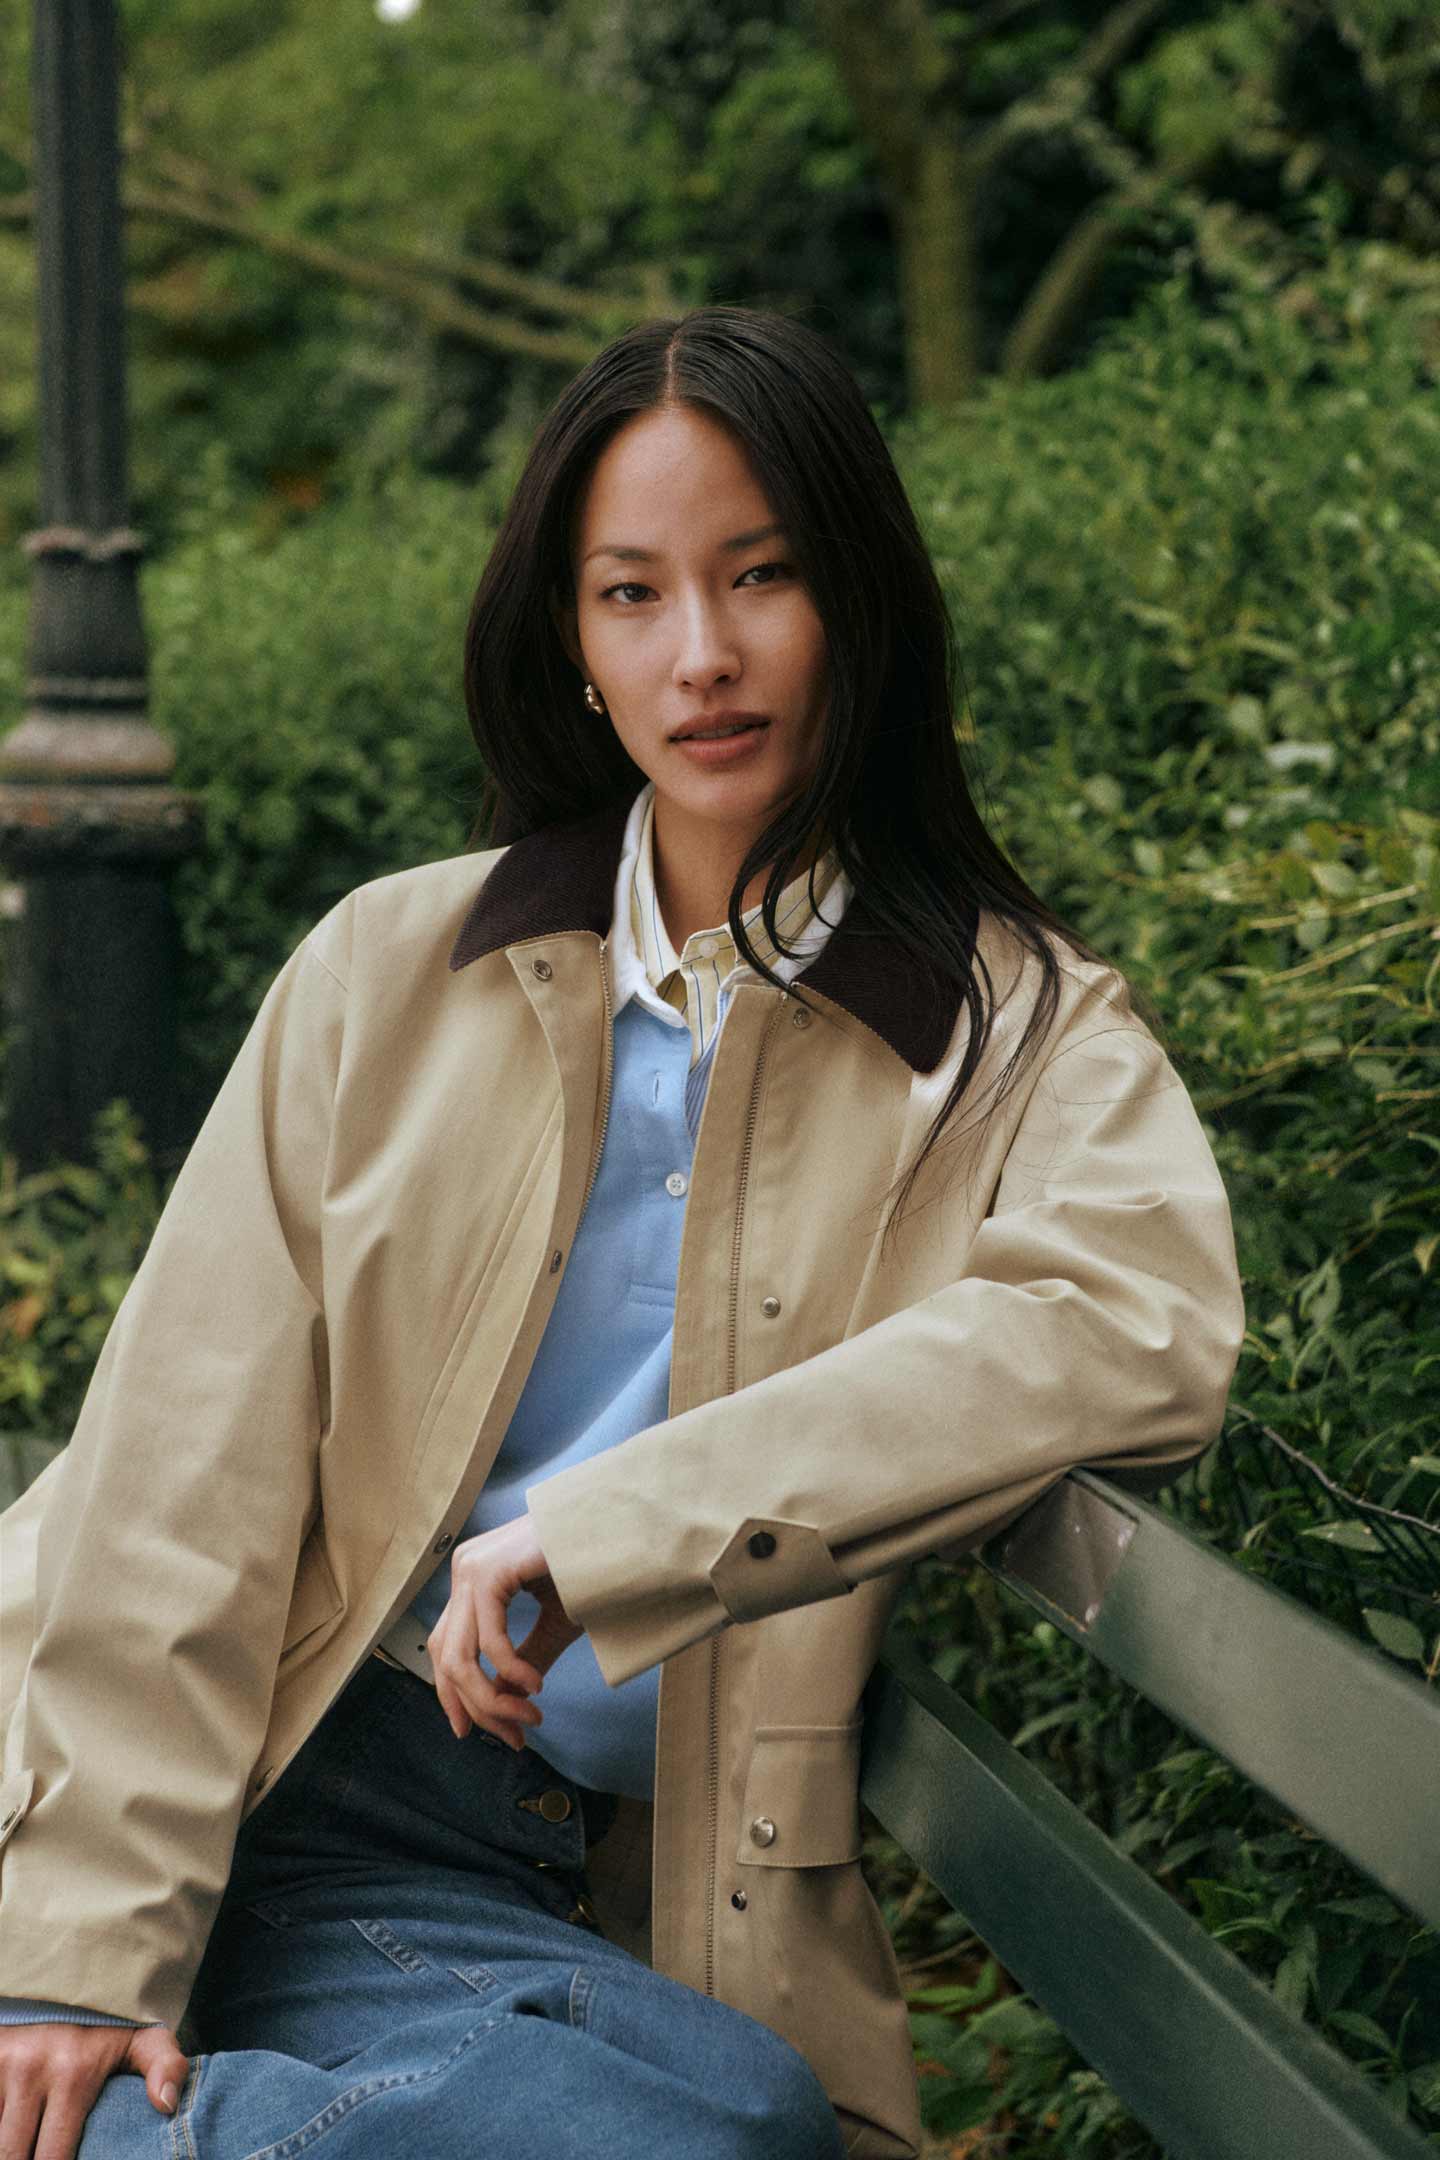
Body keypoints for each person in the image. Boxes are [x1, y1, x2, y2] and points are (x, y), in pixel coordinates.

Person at [0, 304, 1245, 2160]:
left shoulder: (1009, 1033)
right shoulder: (394, 974)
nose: (707, 656)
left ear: (862, 610)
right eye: (634, 595)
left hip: (571, 1888)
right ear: (572, 645)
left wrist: (622, 1530)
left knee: (738, 2118)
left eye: (765, 577)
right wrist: (84, 1944)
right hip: (274, 1773)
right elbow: (185, 1458)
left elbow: (1135, 1317)